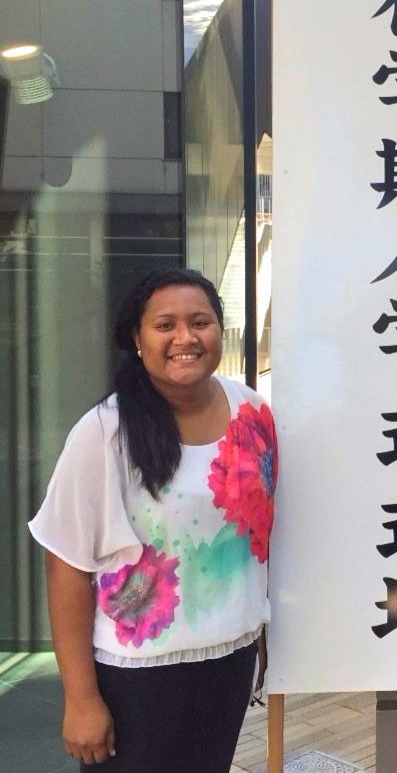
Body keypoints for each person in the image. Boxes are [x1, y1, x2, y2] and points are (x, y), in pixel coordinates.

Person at [28, 268, 278, 772]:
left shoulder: (251, 411)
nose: (185, 338)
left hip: (228, 662)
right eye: (165, 325)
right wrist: (81, 699)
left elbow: (255, 535)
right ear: (138, 340)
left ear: (218, 331)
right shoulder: (105, 431)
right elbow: (67, 568)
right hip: (137, 679)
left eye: (200, 322)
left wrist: (260, 634)